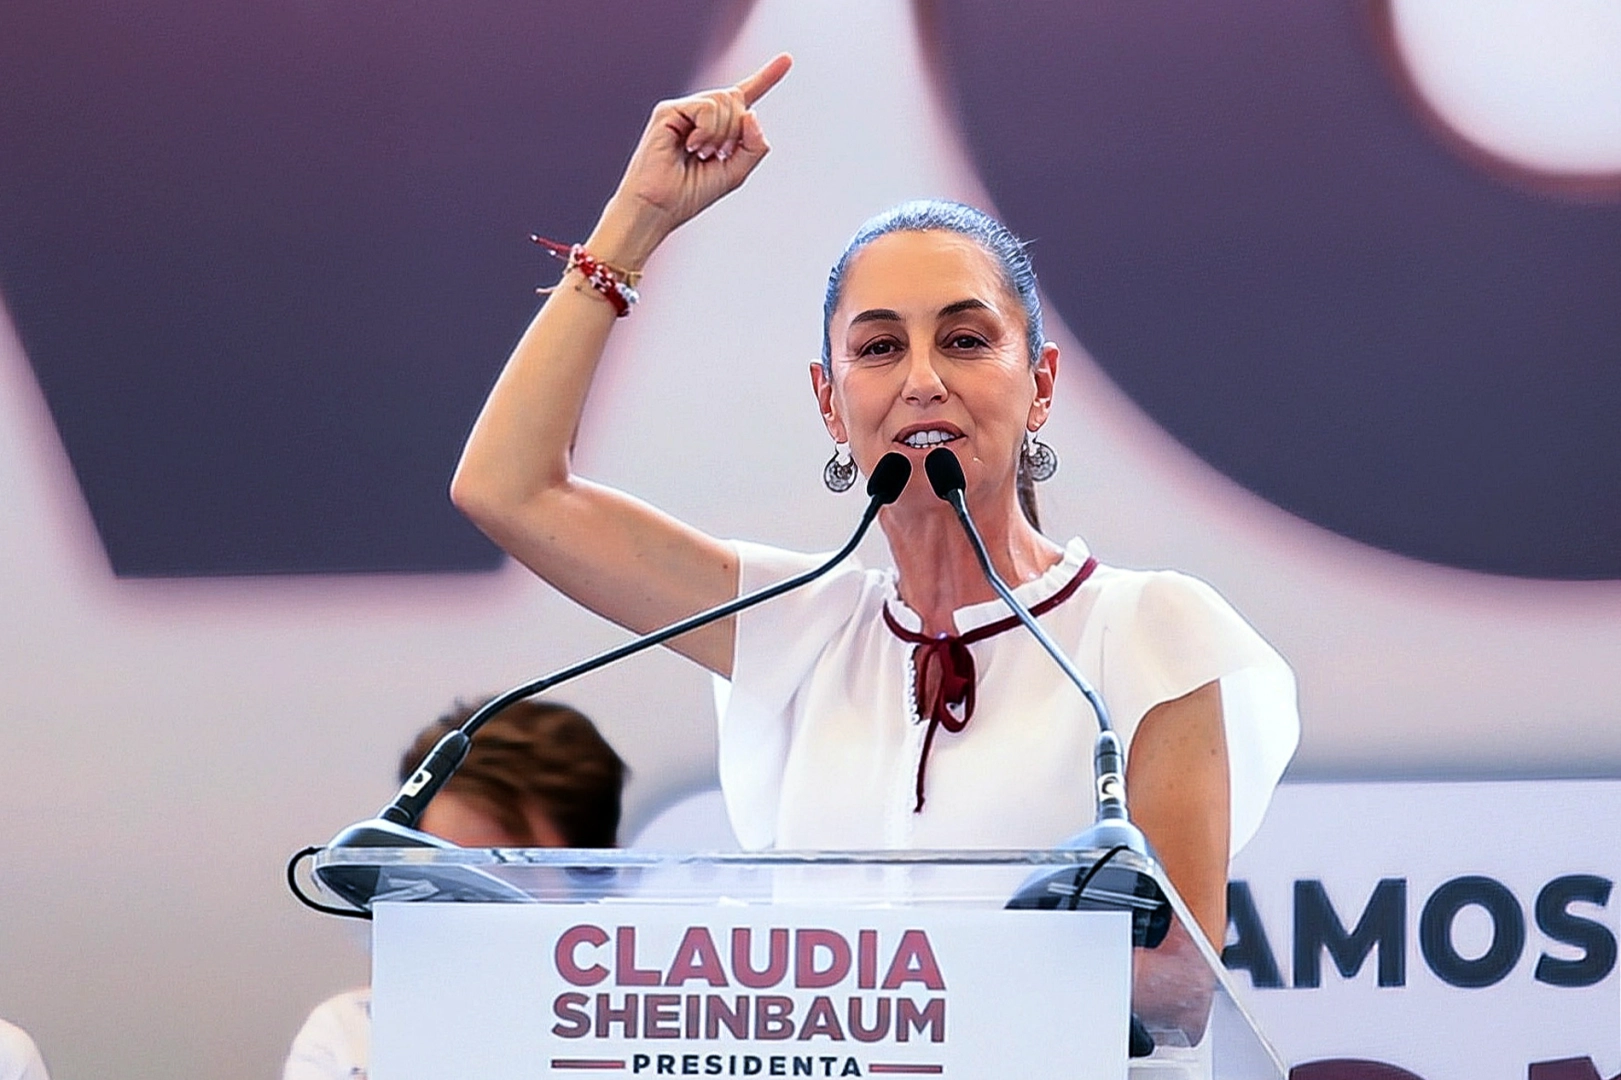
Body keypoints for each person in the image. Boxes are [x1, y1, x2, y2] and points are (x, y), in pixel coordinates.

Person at [449, 52, 1297, 964]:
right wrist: (637, 220)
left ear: (1040, 384)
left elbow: (1175, 979)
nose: (922, 379)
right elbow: (508, 488)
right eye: (880, 347)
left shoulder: (1147, 629)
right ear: (830, 402)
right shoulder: (800, 627)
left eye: (964, 340)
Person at [283, 697, 625, 1080]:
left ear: (596, 873)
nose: (464, 905)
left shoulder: (648, 1047)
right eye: (439, 873)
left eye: (500, 875)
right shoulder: (350, 1037)